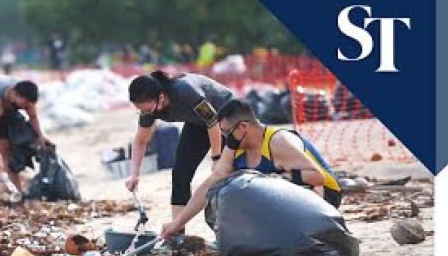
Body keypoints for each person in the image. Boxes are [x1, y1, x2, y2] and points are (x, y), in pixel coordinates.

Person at [159, 100, 343, 240]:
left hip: (324, 195)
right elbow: (212, 182)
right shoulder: (234, 146)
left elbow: (317, 177)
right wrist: (178, 223)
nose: (225, 138)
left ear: (244, 127)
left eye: (227, 132)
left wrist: (278, 177)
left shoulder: (278, 142)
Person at [125, 70, 230, 242]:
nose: (148, 114)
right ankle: (177, 232)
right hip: (198, 123)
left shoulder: (185, 90)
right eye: (142, 111)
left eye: (149, 109)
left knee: (224, 175)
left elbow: (212, 121)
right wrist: (134, 173)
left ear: (160, 96)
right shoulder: (148, 109)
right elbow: (140, 140)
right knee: (180, 174)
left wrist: (216, 157)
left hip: (225, 117)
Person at [0, 76, 51, 203]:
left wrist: (42, 136)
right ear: (14, 94)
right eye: (24, 104)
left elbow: (33, 118)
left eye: (29, 105)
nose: (26, 107)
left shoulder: (26, 99)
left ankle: (19, 192)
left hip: (6, 109)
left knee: (6, 151)